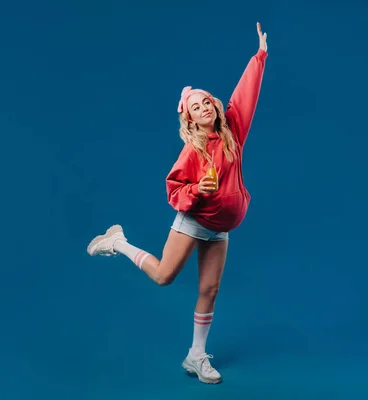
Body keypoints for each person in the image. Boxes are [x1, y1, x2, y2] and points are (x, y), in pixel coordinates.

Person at [86, 22, 268, 384]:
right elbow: (173, 191)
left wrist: (260, 55)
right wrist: (197, 191)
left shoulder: (233, 131)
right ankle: (117, 241)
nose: (204, 107)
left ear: (215, 105)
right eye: (196, 106)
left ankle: (196, 356)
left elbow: (246, 93)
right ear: (189, 117)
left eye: (207, 101)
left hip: (221, 227)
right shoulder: (192, 149)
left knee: (210, 290)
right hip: (194, 221)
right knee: (165, 277)